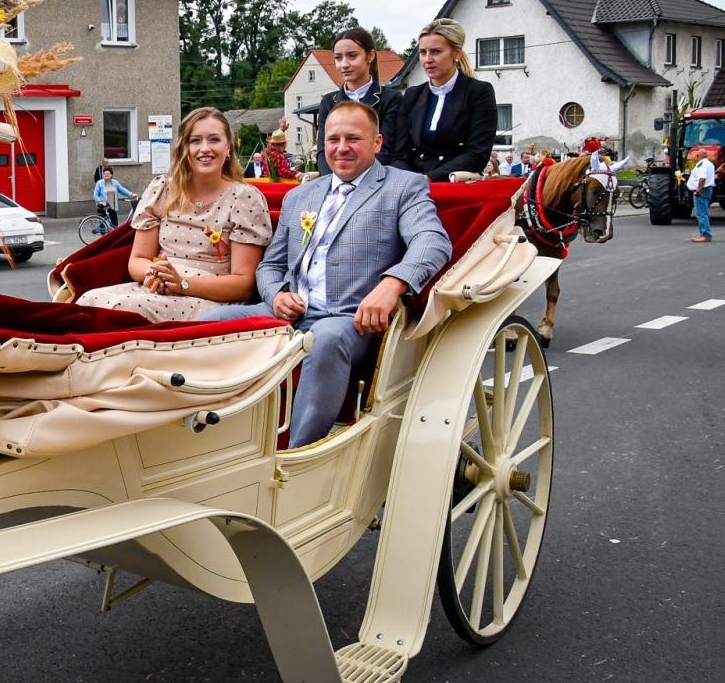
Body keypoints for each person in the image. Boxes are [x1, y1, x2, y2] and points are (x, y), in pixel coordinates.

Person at [201, 102, 450, 446]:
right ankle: (213, 442)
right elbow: (271, 266)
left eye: (353, 138)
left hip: (348, 319)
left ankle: (296, 455)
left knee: (326, 339)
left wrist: (393, 284)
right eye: (333, 139)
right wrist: (276, 296)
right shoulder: (300, 195)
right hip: (288, 310)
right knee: (211, 323)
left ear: (377, 143)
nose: (342, 148)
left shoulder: (402, 187)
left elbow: (432, 241)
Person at [77, 107, 273, 323]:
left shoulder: (244, 198)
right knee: (88, 301)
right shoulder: (162, 189)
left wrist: (182, 283)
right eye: (195, 141)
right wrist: (155, 273)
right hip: (158, 289)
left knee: (121, 309)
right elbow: (138, 260)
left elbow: (244, 285)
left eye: (214, 140)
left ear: (228, 148)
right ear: (183, 149)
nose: (204, 148)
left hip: (209, 298)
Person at [392, 18, 497, 182]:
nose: (427, 60)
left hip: (454, 186)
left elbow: (477, 153)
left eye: (435, 52)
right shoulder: (412, 96)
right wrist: (410, 181)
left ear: (457, 53)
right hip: (411, 186)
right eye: (423, 52)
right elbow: (400, 153)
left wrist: (430, 178)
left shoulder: (478, 92)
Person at [314, 25, 402, 169]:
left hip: (378, 182)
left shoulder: (390, 99)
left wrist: (359, 182)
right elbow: (323, 152)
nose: (344, 64)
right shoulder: (329, 102)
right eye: (338, 58)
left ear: (370, 56)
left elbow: (387, 150)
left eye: (352, 56)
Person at [686, 150, 716, 242]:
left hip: (702, 190)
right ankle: (704, 234)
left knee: (701, 213)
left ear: (699, 156)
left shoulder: (702, 165)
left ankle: (705, 235)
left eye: (697, 155)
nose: (696, 157)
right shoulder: (710, 164)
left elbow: (702, 179)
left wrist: (698, 190)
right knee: (704, 212)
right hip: (707, 189)